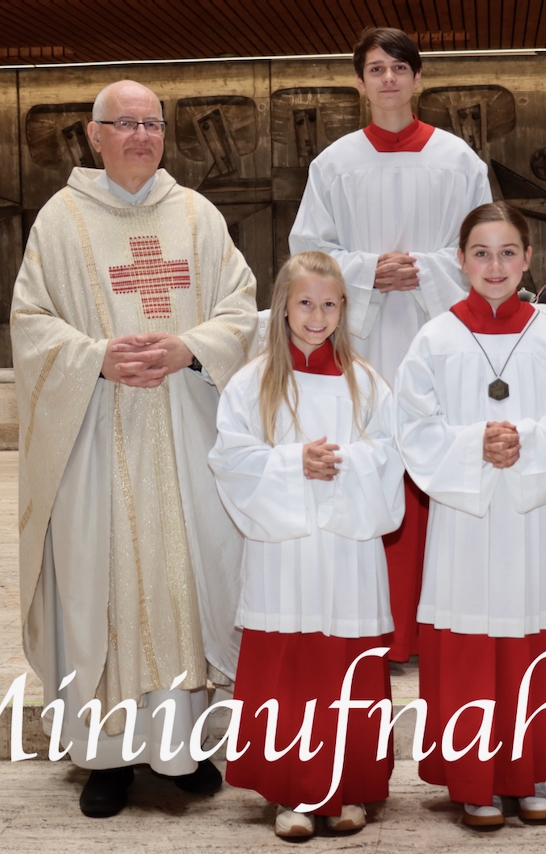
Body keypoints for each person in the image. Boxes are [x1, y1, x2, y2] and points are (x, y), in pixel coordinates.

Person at [12, 80, 258, 818]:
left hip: (184, 433)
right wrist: (93, 357)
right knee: (101, 584)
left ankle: (183, 751)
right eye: (124, 124)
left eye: (152, 123)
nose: (141, 136)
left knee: (183, 582)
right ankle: (106, 760)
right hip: (95, 436)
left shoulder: (198, 215)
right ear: (94, 136)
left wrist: (190, 346)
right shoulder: (60, 221)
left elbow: (240, 309)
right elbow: (29, 322)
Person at [291, 27, 492, 663]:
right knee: (371, 467)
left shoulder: (459, 160)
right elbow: (307, 252)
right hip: (364, 342)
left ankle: (440, 627)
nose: (388, 79)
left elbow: (488, 248)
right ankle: (378, 631)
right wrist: (366, 271)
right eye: (376, 69)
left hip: (443, 342)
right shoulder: (334, 164)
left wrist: (428, 270)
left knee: (440, 469)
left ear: (418, 78)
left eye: (399, 68)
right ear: (360, 82)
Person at [395, 202, 546, 828]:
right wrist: (473, 447)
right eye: (481, 253)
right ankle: (474, 778)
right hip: (467, 519)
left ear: (529, 258)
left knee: (534, 640)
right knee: (469, 646)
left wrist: (527, 442)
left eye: (508, 252)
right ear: (461, 260)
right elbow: (411, 428)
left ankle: (532, 768)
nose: (495, 266)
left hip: (533, 516)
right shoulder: (435, 338)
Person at [209, 251, 404, 839]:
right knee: (288, 670)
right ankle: (292, 793)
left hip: (347, 550)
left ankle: (348, 788)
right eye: (305, 304)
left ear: (344, 309)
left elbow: (392, 454)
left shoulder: (365, 381)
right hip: (285, 553)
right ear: (283, 308)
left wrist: (342, 462)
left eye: (329, 305)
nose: (317, 317)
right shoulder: (252, 383)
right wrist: (295, 461)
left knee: (348, 668)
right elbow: (231, 459)